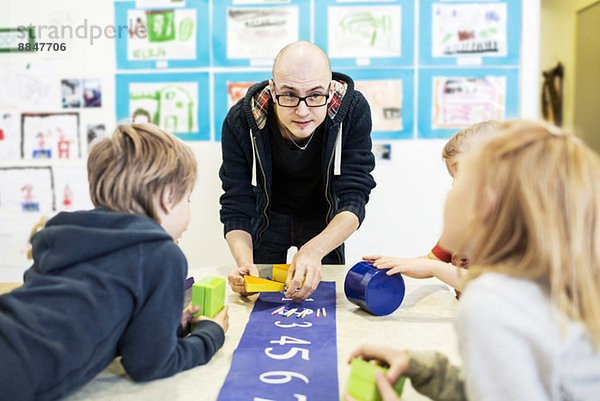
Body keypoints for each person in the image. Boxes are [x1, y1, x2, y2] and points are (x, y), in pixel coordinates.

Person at [345, 120, 600, 401]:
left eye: (460, 182)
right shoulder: (530, 289)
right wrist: (426, 370)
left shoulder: (491, 304)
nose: (451, 190)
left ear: (486, 203)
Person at [0, 124, 229, 401]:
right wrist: (210, 334)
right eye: (187, 199)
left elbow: (81, 315)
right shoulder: (161, 254)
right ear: (167, 197)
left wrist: (163, 326)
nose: (189, 213)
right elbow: (149, 365)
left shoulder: (62, 236)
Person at [220, 41, 376, 302]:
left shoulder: (352, 111)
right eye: (289, 95)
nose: (302, 111)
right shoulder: (240, 121)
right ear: (272, 90)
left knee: (325, 302)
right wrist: (245, 265)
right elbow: (236, 203)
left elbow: (355, 197)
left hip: (325, 219)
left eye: (315, 95)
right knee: (258, 300)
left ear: (329, 90)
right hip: (267, 217)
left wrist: (314, 250)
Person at [363, 121, 499, 293]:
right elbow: (433, 260)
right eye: (453, 177)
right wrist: (396, 264)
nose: (455, 184)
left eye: (464, 176)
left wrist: (433, 267)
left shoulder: (509, 230)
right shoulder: (462, 223)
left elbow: (486, 286)